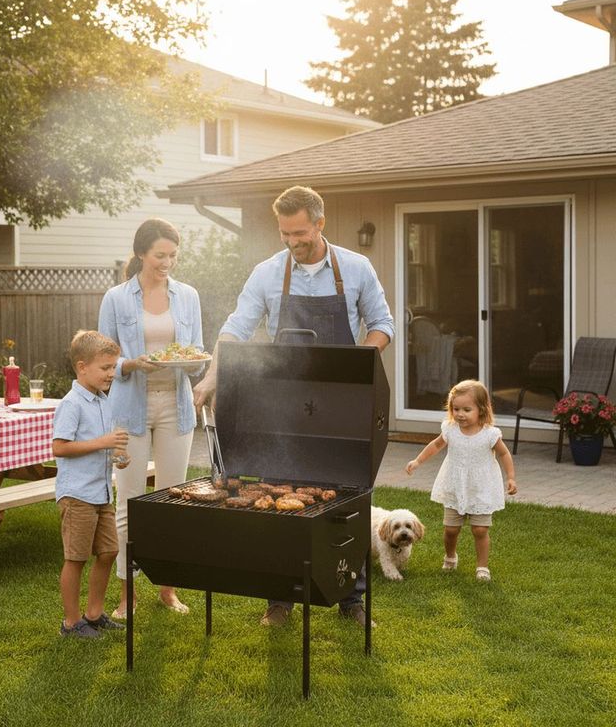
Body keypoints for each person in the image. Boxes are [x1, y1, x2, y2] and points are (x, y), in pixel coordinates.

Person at [192, 185, 394, 628]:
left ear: (320, 224)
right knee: (278, 496)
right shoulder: (267, 273)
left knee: (349, 499)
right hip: (282, 404)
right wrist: (211, 376)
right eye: (284, 233)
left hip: (342, 404)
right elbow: (235, 330)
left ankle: (351, 600)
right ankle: (279, 600)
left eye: (299, 233)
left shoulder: (356, 267)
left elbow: (382, 324)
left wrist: (357, 366)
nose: (291, 241)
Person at [99, 218, 205, 620]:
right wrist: (130, 364)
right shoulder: (116, 298)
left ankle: (167, 588)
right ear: (142, 253)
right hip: (130, 409)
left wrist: (193, 362)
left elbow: (196, 354)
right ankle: (127, 596)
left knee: (171, 501)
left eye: (173, 255)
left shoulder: (188, 296)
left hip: (176, 407)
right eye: (160, 255)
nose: (167, 263)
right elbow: (104, 360)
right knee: (129, 502)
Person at [53, 330, 129, 639]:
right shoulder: (72, 404)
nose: (111, 373)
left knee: (109, 551)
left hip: (101, 493)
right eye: (105, 368)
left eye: (113, 367)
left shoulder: (103, 401)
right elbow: (60, 447)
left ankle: (94, 615)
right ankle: (71, 623)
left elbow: (102, 444)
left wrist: (117, 456)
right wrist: (103, 443)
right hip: (77, 495)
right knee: (76, 559)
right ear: (82, 367)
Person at [405, 379, 518, 582]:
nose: (460, 414)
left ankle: (482, 567)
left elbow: (504, 454)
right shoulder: (450, 429)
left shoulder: (490, 434)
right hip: (455, 487)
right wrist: (417, 461)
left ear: (481, 409)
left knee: (480, 529)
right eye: (456, 409)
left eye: (467, 409)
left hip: (480, 489)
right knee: (451, 529)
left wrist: (510, 477)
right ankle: (450, 557)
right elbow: (436, 445)